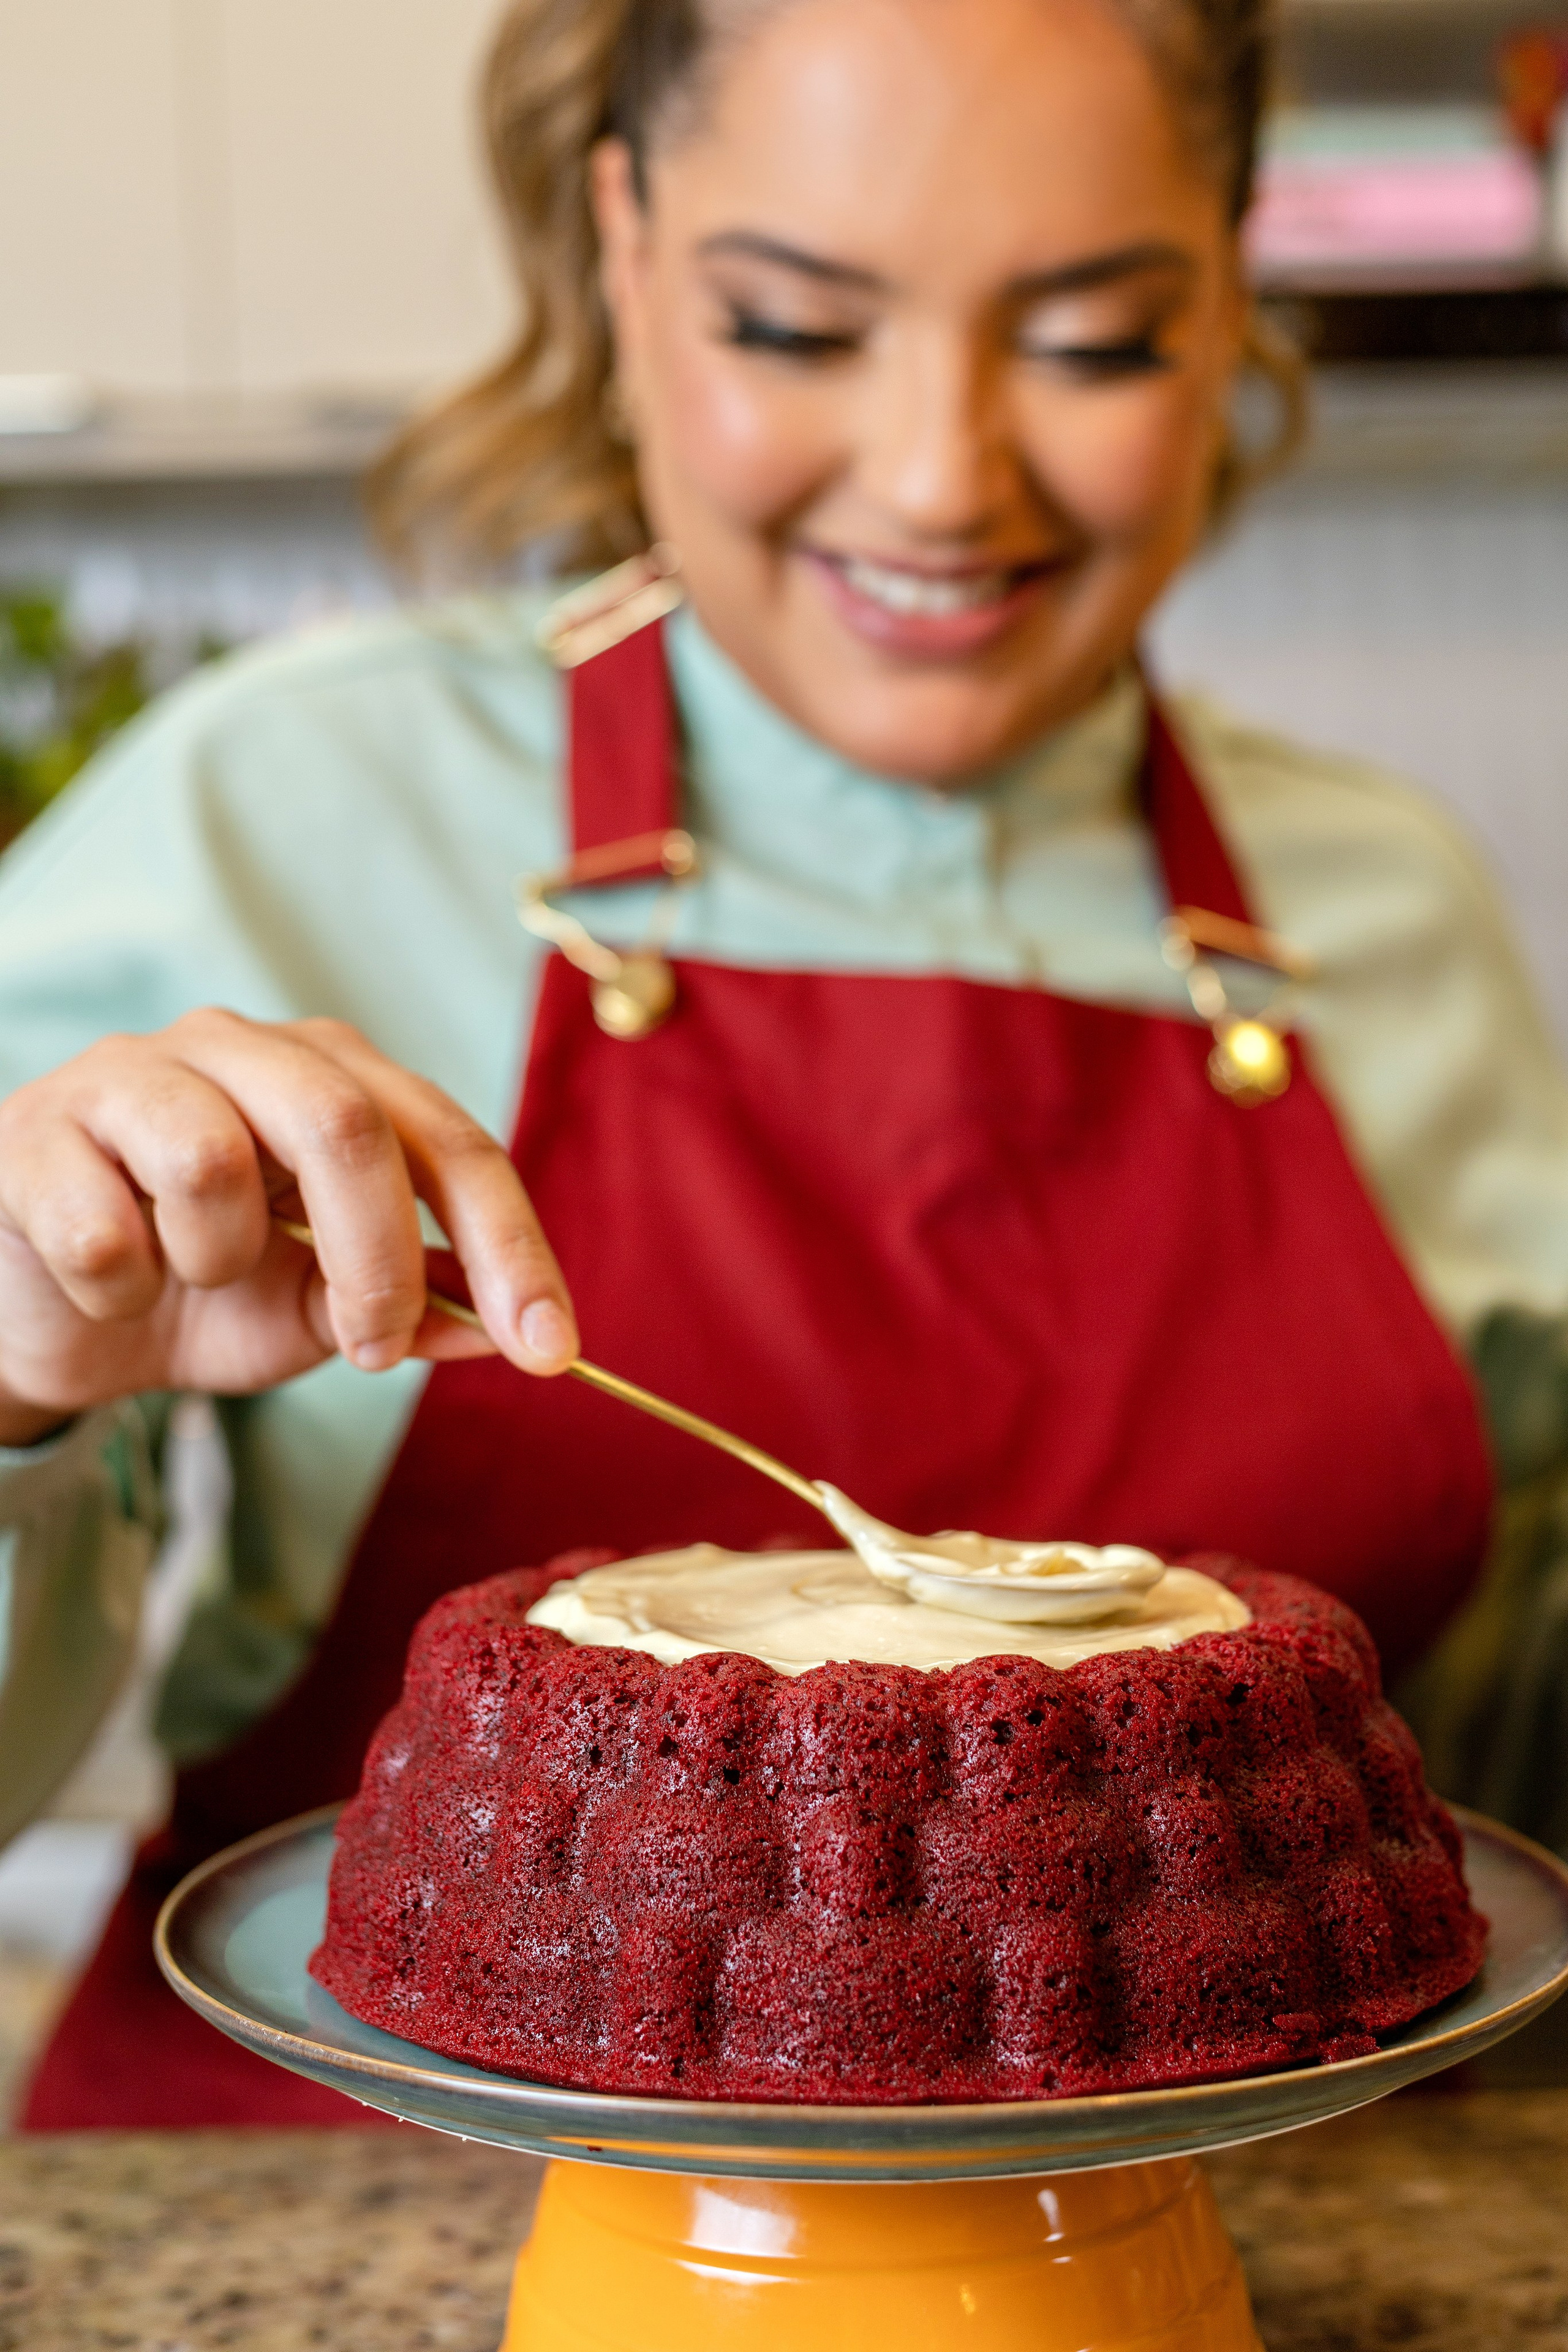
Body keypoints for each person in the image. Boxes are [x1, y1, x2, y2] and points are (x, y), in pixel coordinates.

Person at [2, 0, 1567, 2128]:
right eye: (799, 328)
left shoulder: (1386, 902)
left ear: (1229, 298)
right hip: (349, 2225)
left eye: (1095, 340)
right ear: (626, 251)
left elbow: (1508, 1729)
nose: (940, 478)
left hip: (1256, 2222)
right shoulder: (277, 808)